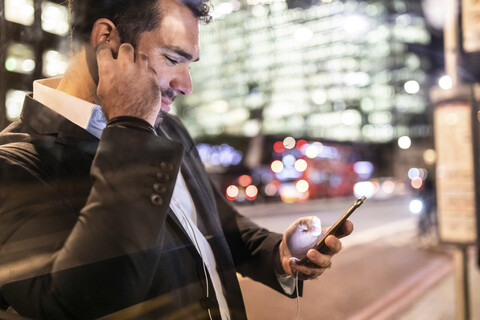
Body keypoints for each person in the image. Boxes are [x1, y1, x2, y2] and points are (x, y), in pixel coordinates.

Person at [0, 0, 354, 319]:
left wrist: (280, 251)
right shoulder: (14, 165)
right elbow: (80, 299)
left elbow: (219, 226)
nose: (186, 85)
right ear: (106, 40)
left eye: (189, 64)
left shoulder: (168, 129)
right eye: (172, 59)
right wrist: (130, 126)